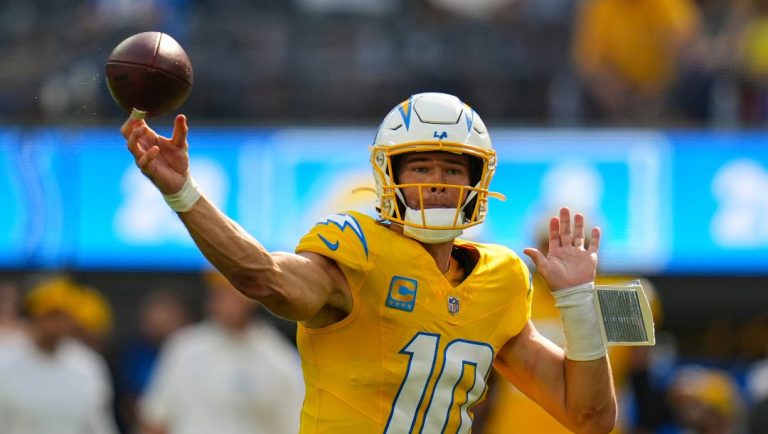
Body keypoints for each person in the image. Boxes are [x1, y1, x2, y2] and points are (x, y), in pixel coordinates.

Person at [121, 92, 617, 433]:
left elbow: (590, 417)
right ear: (389, 176)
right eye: (421, 166)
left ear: (477, 181)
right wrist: (184, 193)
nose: (438, 182)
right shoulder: (356, 249)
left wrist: (577, 301)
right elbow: (263, 276)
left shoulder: (502, 280)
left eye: (451, 168)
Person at [478, 222, 664, 434]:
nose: (562, 254)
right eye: (553, 244)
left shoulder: (622, 298)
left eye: (575, 244)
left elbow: (640, 377)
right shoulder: (514, 295)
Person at [138, 270, 303, 434]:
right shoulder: (184, 348)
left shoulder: (279, 360)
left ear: (252, 296)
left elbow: (294, 425)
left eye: (232, 292)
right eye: (219, 291)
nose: (224, 300)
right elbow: (154, 420)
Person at [0, 275, 118, 434]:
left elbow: (99, 425)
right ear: (35, 314)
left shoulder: (88, 365)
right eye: (51, 314)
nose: (56, 323)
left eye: (63, 316)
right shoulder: (5, 358)